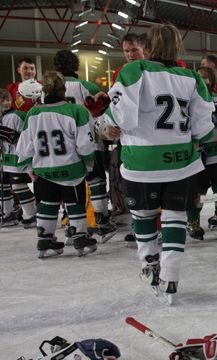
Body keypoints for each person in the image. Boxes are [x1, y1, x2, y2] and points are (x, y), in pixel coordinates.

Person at [104, 24, 215, 303]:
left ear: (148, 46)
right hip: (181, 161)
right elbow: (204, 125)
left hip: (142, 161)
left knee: (143, 216)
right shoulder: (192, 77)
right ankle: (171, 276)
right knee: (175, 217)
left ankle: (149, 265)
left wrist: (108, 125)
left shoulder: (134, 70)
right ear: (177, 47)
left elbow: (120, 117)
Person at [15, 71, 97, 257]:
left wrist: (28, 167)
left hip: (43, 170)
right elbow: (85, 145)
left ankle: (45, 239)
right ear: (64, 89)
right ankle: (80, 237)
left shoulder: (34, 113)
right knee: (75, 203)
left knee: (47, 204)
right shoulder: (76, 111)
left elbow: (24, 145)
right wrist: (88, 165)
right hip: (71, 169)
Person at [54, 49, 117, 242]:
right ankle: (102, 222)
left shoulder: (49, 89)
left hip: (62, 146)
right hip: (89, 141)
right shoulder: (86, 85)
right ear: (76, 65)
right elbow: (105, 109)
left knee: (71, 184)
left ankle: (74, 225)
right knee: (96, 180)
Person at [185, 66, 217, 241]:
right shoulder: (189, 100)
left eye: (206, 77)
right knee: (198, 191)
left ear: (212, 80)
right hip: (198, 154)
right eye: (200, 77)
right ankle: (192, 221)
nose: (203, 81)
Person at [111, 33, 146, 245]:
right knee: (135, 186)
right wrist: (111, 124)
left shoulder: (153, 70)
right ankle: (139, 224)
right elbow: (116, 105)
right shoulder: (120, 72)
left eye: (134, 50)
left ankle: (160, 225)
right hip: (130, 140)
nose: (130, 55)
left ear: (144, 49)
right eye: (126, 51)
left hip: (153, 139)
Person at [0, 89, 37, 227]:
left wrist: (9, 134)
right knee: (2, 185)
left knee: (18, 185)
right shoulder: (2, 116)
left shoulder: (17, 115)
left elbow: (24, 136)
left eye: (8, 99)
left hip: (18, 156)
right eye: (2, 100)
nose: (6, 103)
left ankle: (33, 214)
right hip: (5, 158)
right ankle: (9, 214)